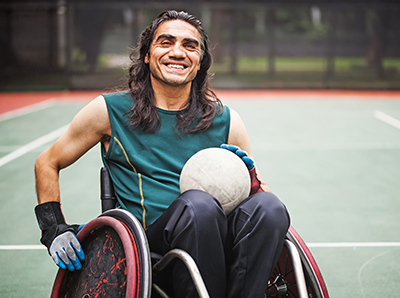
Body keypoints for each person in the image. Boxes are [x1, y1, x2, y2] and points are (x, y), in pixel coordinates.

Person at [34, 10, 290, 298]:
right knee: (199, 206)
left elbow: (256, 197)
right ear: (147, 55)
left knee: (270, 208)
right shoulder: (110, 111)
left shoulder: (227, 120)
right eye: (165, 42)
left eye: (190, 45)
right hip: (149, 247)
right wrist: (53, 228)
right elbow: (47, 162)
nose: (177, 52)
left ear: (200, 62)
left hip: (219, 242)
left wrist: (252, 181)